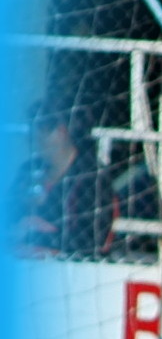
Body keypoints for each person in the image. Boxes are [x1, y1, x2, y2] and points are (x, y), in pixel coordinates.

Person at [12, 99, 107, 256]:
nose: (36, 144)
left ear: (62, 132)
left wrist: (38, 234)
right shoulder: (27, 171)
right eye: (33, 137)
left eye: (42, 136)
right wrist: (15, 230)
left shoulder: (92, 178)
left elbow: (92, 240)